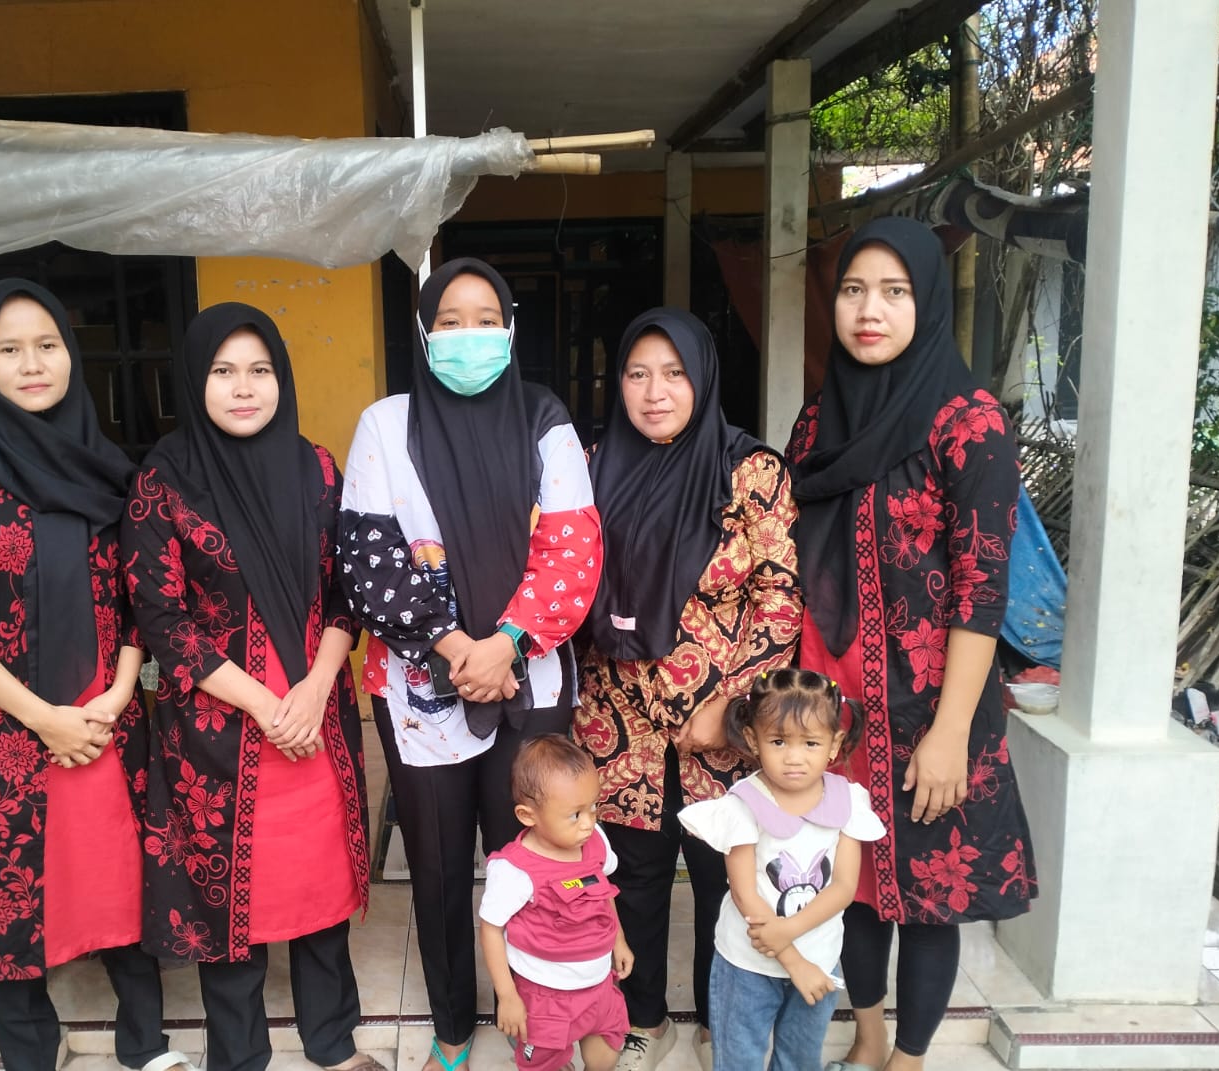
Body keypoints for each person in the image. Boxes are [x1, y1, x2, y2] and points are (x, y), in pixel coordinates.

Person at [0, 279, 187, 1071]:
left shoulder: (112, 469)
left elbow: (140, 598)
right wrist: (42, 717)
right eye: (9, 349)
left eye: (47, 345)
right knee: (10, 895)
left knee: (121, 878)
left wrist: (118, 696)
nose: (33, 364)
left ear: (71, 353)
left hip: (104, 719)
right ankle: (30, 1051)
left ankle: (146, 1045)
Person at [786, 217, 1037, 1071]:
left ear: (925, 302)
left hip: (932, 707)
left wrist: (951, 732)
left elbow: (982, 588)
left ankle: (911, 1057)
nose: (870, 310)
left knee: (928, 894)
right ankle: (866, 1038)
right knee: (853, 882)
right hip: (835, 706)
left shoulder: (968, 423)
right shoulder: (817, 422)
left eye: (894, 292)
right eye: (855, 290)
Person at [340, 258, 601, 1071]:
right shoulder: (385, 425)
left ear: (511, 328)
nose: (468, 336)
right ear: (423, 334)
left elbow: (572, 548)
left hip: (531, 682)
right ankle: (453, 1025)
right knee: (440, 868)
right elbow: (370, 558)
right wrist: (459, 648)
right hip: (421, 692)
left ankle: (542, 1012)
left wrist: (506, 644)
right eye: (448, 322)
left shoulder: (544, 418)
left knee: (535, 860)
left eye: (485, 319)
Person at [122, 303, 377, 1071]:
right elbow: (161, 617)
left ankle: (332, 1042)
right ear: (195, 381)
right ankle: (238, 1056)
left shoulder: (316, 469)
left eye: (259, 370)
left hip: (315, 717)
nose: (243, 388)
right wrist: (267, 704)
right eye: (223, 371)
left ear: (281, 378)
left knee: (321, 892)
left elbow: (346, 592)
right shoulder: (164, 480)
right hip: (221, 731)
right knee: (228, 904)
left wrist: (318, 686)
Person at [572, 308, 802, 1071]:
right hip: (619, 722)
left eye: (673, 373)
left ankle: (716, 1017)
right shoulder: (593, 464)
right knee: (632, 875)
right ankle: (645, 1017)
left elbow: (779, 598)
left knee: (722, 877)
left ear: (702, 378)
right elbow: (569, 577)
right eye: (637, 374)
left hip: (721, 725)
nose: (655, 392)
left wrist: (732, 706)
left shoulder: (752, 472)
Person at [679, 670, 885, 1071]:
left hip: (819, 960)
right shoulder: (742, 806)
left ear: (834, 744)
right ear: (753, 739)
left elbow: (844, 886)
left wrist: (792, 939)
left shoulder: (848, 801)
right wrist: (793, 960)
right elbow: (745, 896)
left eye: (810, 743)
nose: (794, 757)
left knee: (799, 1060)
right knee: (739, 1060)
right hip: (746, 966)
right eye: (778, 741)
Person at [480, 735, 634, 1071]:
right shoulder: (514, 871)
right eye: (575, 814)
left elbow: (603, 894)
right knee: (544, 1063)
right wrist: (507, 996)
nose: (589, 822)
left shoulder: (595, 842)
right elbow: (491, 930)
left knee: (606, 1054)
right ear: (528, 815)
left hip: (599, 985)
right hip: (545, 998)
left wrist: (618, 941)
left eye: (593, 807)